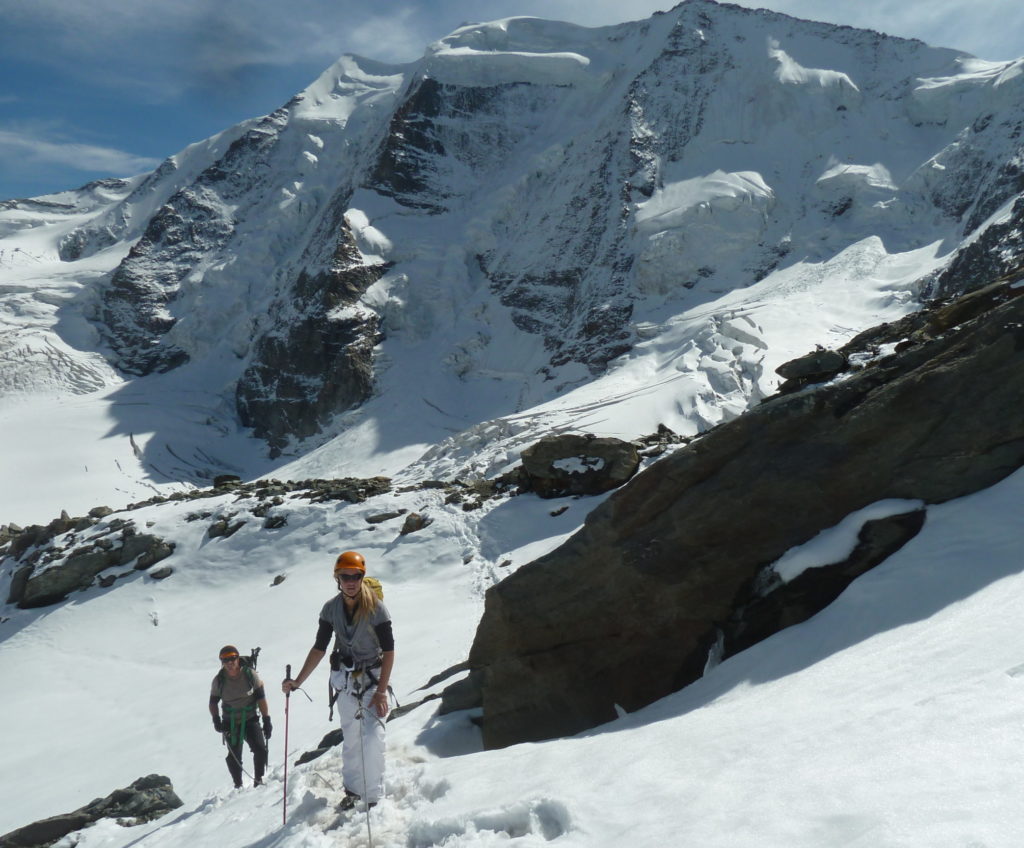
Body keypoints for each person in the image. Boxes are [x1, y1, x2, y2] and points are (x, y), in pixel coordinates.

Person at [282, 551, 395, 810]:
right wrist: (297, 682)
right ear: (337, 577)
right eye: (345, 576)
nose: (351, 581)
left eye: (356, 576)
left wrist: (381, 692)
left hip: (373, 678)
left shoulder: (377, 608)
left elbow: (389, 650)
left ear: (362, 577)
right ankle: (354, 791)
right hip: (346, 681)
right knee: (352, 737)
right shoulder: (330, 609)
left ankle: (374, 796)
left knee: (372, 736)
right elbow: (319, 648)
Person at [209, 645, 272, 788]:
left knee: (260, 749)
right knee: (234, 757)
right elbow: (213, 702)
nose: (229, 663)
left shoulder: (250, 675)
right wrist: (216, 720)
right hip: (229, 722)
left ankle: (259, 779)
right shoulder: (219, 681)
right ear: (221, 662)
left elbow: (261, 698)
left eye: (232, 658)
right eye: (225, 660)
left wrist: (266, 719)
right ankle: (238, 786)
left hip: (250, 718)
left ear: (238, 658)